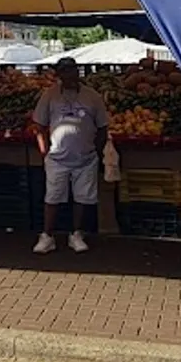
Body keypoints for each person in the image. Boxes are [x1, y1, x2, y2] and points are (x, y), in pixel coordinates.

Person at [30, 57, 110, 254]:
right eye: (64, 72)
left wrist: (96, 151)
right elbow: (39, 126)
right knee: (52, 197)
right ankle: (47, 236)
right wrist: (44, 151)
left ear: (78, 73)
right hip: (57, 158)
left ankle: (76, 234)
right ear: (59, 75)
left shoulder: (93, 97)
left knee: (82, 198)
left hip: (86, 158)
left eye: (72, 71)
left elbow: (102, 127)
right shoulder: (49, 96)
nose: (69, 76)